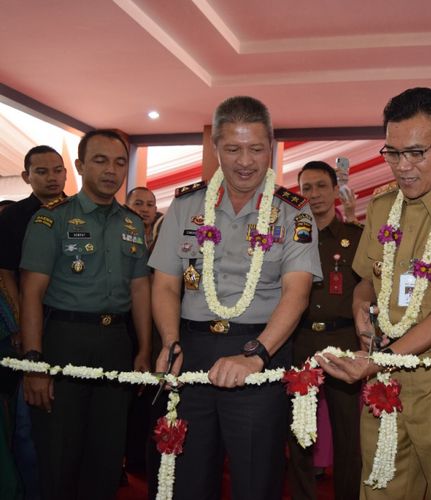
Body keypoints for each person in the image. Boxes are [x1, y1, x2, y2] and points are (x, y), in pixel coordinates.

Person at [317, 87, 431, 500]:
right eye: (393, 153)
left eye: (417, 153)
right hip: (387, 370)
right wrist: (360, 303)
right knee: (381, 486)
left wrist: (377, 359)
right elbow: (366, 277)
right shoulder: (384, 205)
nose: (403, 167)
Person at [149, 96, 322, 500]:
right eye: (233, 149)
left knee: (254, 478)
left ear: (272, 148)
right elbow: (165, 284)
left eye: (256, 148)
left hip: (259, 350)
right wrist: (170, 341)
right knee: (188, 475)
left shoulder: (293, 213)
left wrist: (256, 354)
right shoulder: (185, 205)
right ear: (216, 150)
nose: (245, 161)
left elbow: (295, 295)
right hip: (191, 352)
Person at [19, 130, 152, 500]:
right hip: (64, 340)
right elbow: (32, 293)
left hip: (115, 344)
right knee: (60, 450)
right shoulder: (52, 220)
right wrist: (33, 363)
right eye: (100, 160)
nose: (111, 170)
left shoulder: (131, 223)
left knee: (108, 452)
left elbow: (140, 288)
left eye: (119, 162)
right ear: (79, 166)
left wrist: (142, 349)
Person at [287, 160, 363, 500]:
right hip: (300, 340)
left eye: (320, 186)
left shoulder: (354, 238)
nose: (313, 194)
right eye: (306, 188)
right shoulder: (290, 238)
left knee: (349, 432)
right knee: (299, 430)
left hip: (343, 340)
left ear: (336, 190)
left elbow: (369, 289)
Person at [0, 145, 67, 500]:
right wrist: (18, 325)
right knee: (29, 423)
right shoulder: (14, 217)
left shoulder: (78, 210)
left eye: (57, 170)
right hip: (29, 332)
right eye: (41, 171)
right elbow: (7, 275)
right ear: (27, 177)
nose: (52, 177)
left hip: (71, 326)